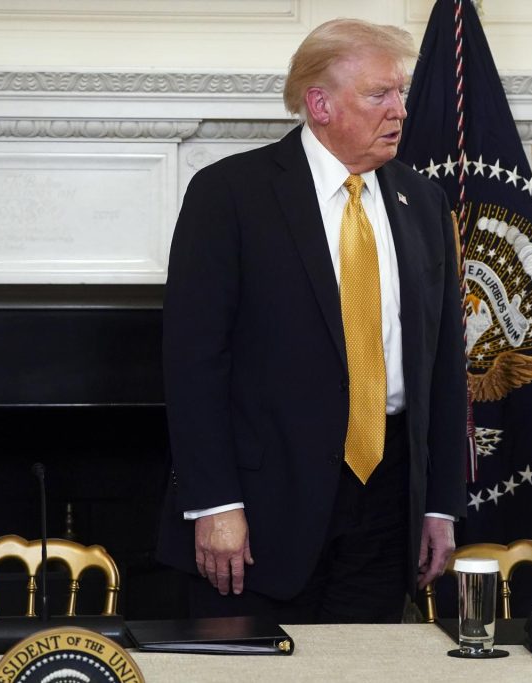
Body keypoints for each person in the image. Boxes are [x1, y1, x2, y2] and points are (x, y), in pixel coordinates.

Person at [156, 18, 467, 624]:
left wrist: (441, 504)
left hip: (386, 503)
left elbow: (444, 363)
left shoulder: (422, 201)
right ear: (319, 104)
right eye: (380, 94)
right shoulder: (230, 195)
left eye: (400, 93)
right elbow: (192, 364)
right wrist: (214, 502)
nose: (400, 110)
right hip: (259, 513)